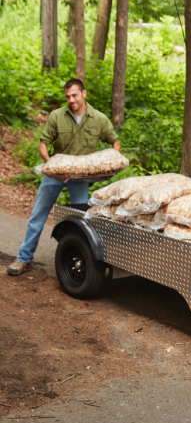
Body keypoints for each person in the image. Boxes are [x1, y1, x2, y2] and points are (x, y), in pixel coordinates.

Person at [7, 78, 120, 276]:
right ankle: (23, 258)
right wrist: (50, 163)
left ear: (84, 94)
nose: (71, 100)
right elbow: (43, 143)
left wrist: (112, 162)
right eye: (68, 96)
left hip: (80, 179)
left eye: (75, 95)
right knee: (37, 216)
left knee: (81, 221)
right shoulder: (57, 116)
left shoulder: (99, 119)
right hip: (55, 175)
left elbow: (114, 142)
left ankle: (76, 259)